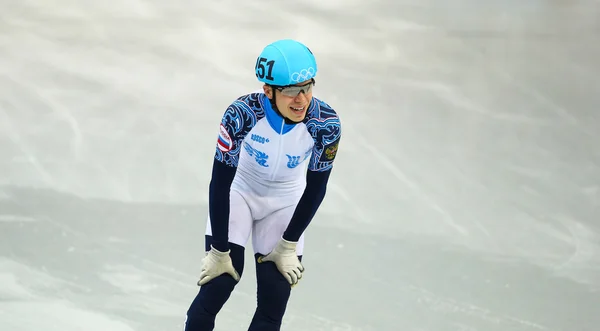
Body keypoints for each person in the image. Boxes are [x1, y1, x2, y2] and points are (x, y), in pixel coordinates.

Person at [184, 39, 342, 331]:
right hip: (240, 193)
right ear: (268, 90)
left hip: (285, 202)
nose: (302, 99)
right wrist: (219, 251)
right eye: (292, 91)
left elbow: (316, 189)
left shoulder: (325, 124)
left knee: (273, 302)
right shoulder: (242, 114)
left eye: (308, 87)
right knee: (218, 285)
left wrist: (289, 243)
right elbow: (220, 182)